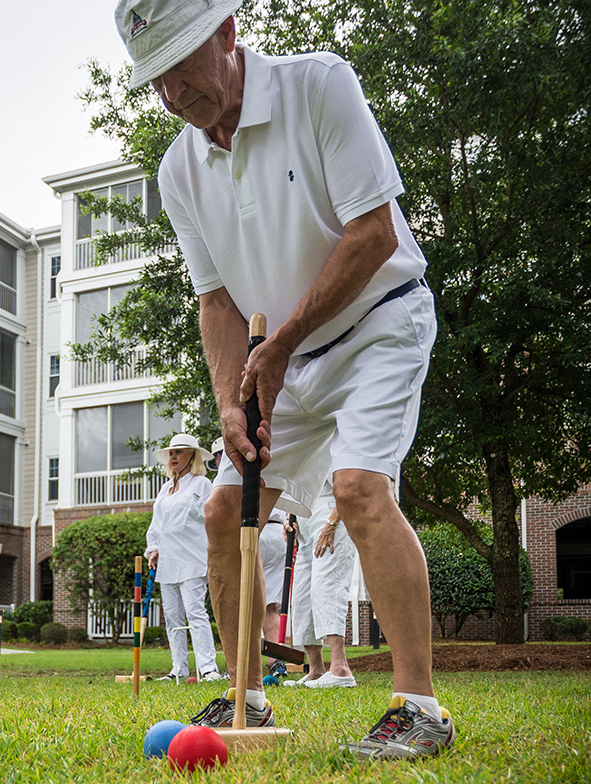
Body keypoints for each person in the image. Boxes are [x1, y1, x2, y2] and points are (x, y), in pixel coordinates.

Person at [114, 0, 454, 758]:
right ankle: (249, 697)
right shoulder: (178, 168)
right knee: (222, 511)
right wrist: (230, 399)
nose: (171, 94)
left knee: (361, 488)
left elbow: (375, 235)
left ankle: (420, 707)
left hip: (378, 322)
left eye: (179, 66)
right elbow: (217, 299)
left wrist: (281, 348)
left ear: (228, 34)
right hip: (280, 361)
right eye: (155, 79)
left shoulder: (318, 85)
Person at [145, 433, 221, 683]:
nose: (173, 457)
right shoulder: (166, 488)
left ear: (192, 455)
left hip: (192, 557)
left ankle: (208, 668)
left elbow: (211, 520)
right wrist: (153, 548)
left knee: (195, 612)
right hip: (168, 560)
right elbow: (157, 523)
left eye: (179, 452)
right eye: (171, 453)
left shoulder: (202, 484)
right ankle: (179, 668)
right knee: (172, 616)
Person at [211, 438, 288, 680]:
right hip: (278, 532)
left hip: (255, 529)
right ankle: (277, 662)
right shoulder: (270, 452)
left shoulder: (228, 474)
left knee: (243, 599)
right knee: (271, 604)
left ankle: (242, 667)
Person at [282, 488, 358, 689]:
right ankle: (316, 670)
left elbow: (347, 486)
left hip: (331, 516)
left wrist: (332, 522)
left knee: (326, 588)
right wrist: (290, 517)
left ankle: (340, 668)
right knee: (302, 595)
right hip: (306, 523)